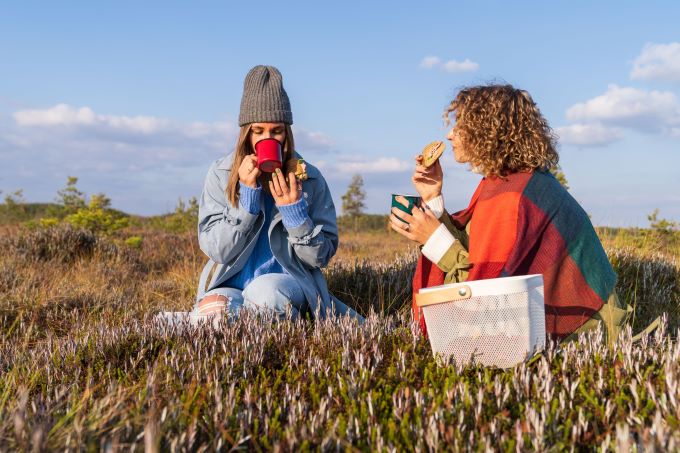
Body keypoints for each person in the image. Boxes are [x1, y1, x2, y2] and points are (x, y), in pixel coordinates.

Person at [389, 84, 630, 344]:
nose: (449, 136)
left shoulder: (514, 196)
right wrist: (433, 198)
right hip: (586, 323)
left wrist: (434, 240)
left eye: (460, 126)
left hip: (582, 335)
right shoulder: (513, 182)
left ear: (487, 129)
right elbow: (477, 252)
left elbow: (483, 296)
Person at [193, 65, 361, 323]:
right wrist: (246, 203)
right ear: (245, 133)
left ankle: (296, 341)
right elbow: (219, 252)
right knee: (209, 315)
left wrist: (295, 215)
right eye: (258, 131)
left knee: (265, 294)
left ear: (287, 133)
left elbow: (320, 257)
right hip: (232, 283)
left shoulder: (310, 178)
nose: (267, 139)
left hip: (290, 283)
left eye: (277, 131)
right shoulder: (221, 173)